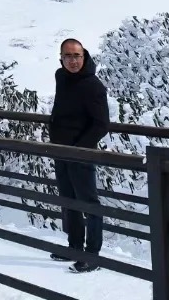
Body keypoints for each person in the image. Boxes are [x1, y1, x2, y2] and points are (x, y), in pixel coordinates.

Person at [48, 38, 109, 274]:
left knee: (88, 202)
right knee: (68, 200)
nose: (73, 60)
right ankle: (74, 247)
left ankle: (92, 254)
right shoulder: (61, 77)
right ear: (61, 58)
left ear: (85, 56)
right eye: (68, 56)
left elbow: (101, 124)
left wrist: (79, 148)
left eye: (77, 55)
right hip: (60, 150)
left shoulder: (93, 86)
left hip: (81, 153)